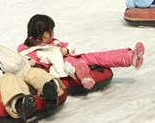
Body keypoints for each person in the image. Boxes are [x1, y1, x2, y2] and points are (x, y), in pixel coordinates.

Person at [17, 14, 145, 90]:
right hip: (60, 67)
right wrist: (36, 61)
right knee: (70, 63)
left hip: (73, 57)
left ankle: (129, 56)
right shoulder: (28, 49)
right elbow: (24, 59)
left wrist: (65, 50)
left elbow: (70, 46)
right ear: (46, 34)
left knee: (96, 57)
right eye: (52, 30)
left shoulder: (53, 42)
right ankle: (83, 75)